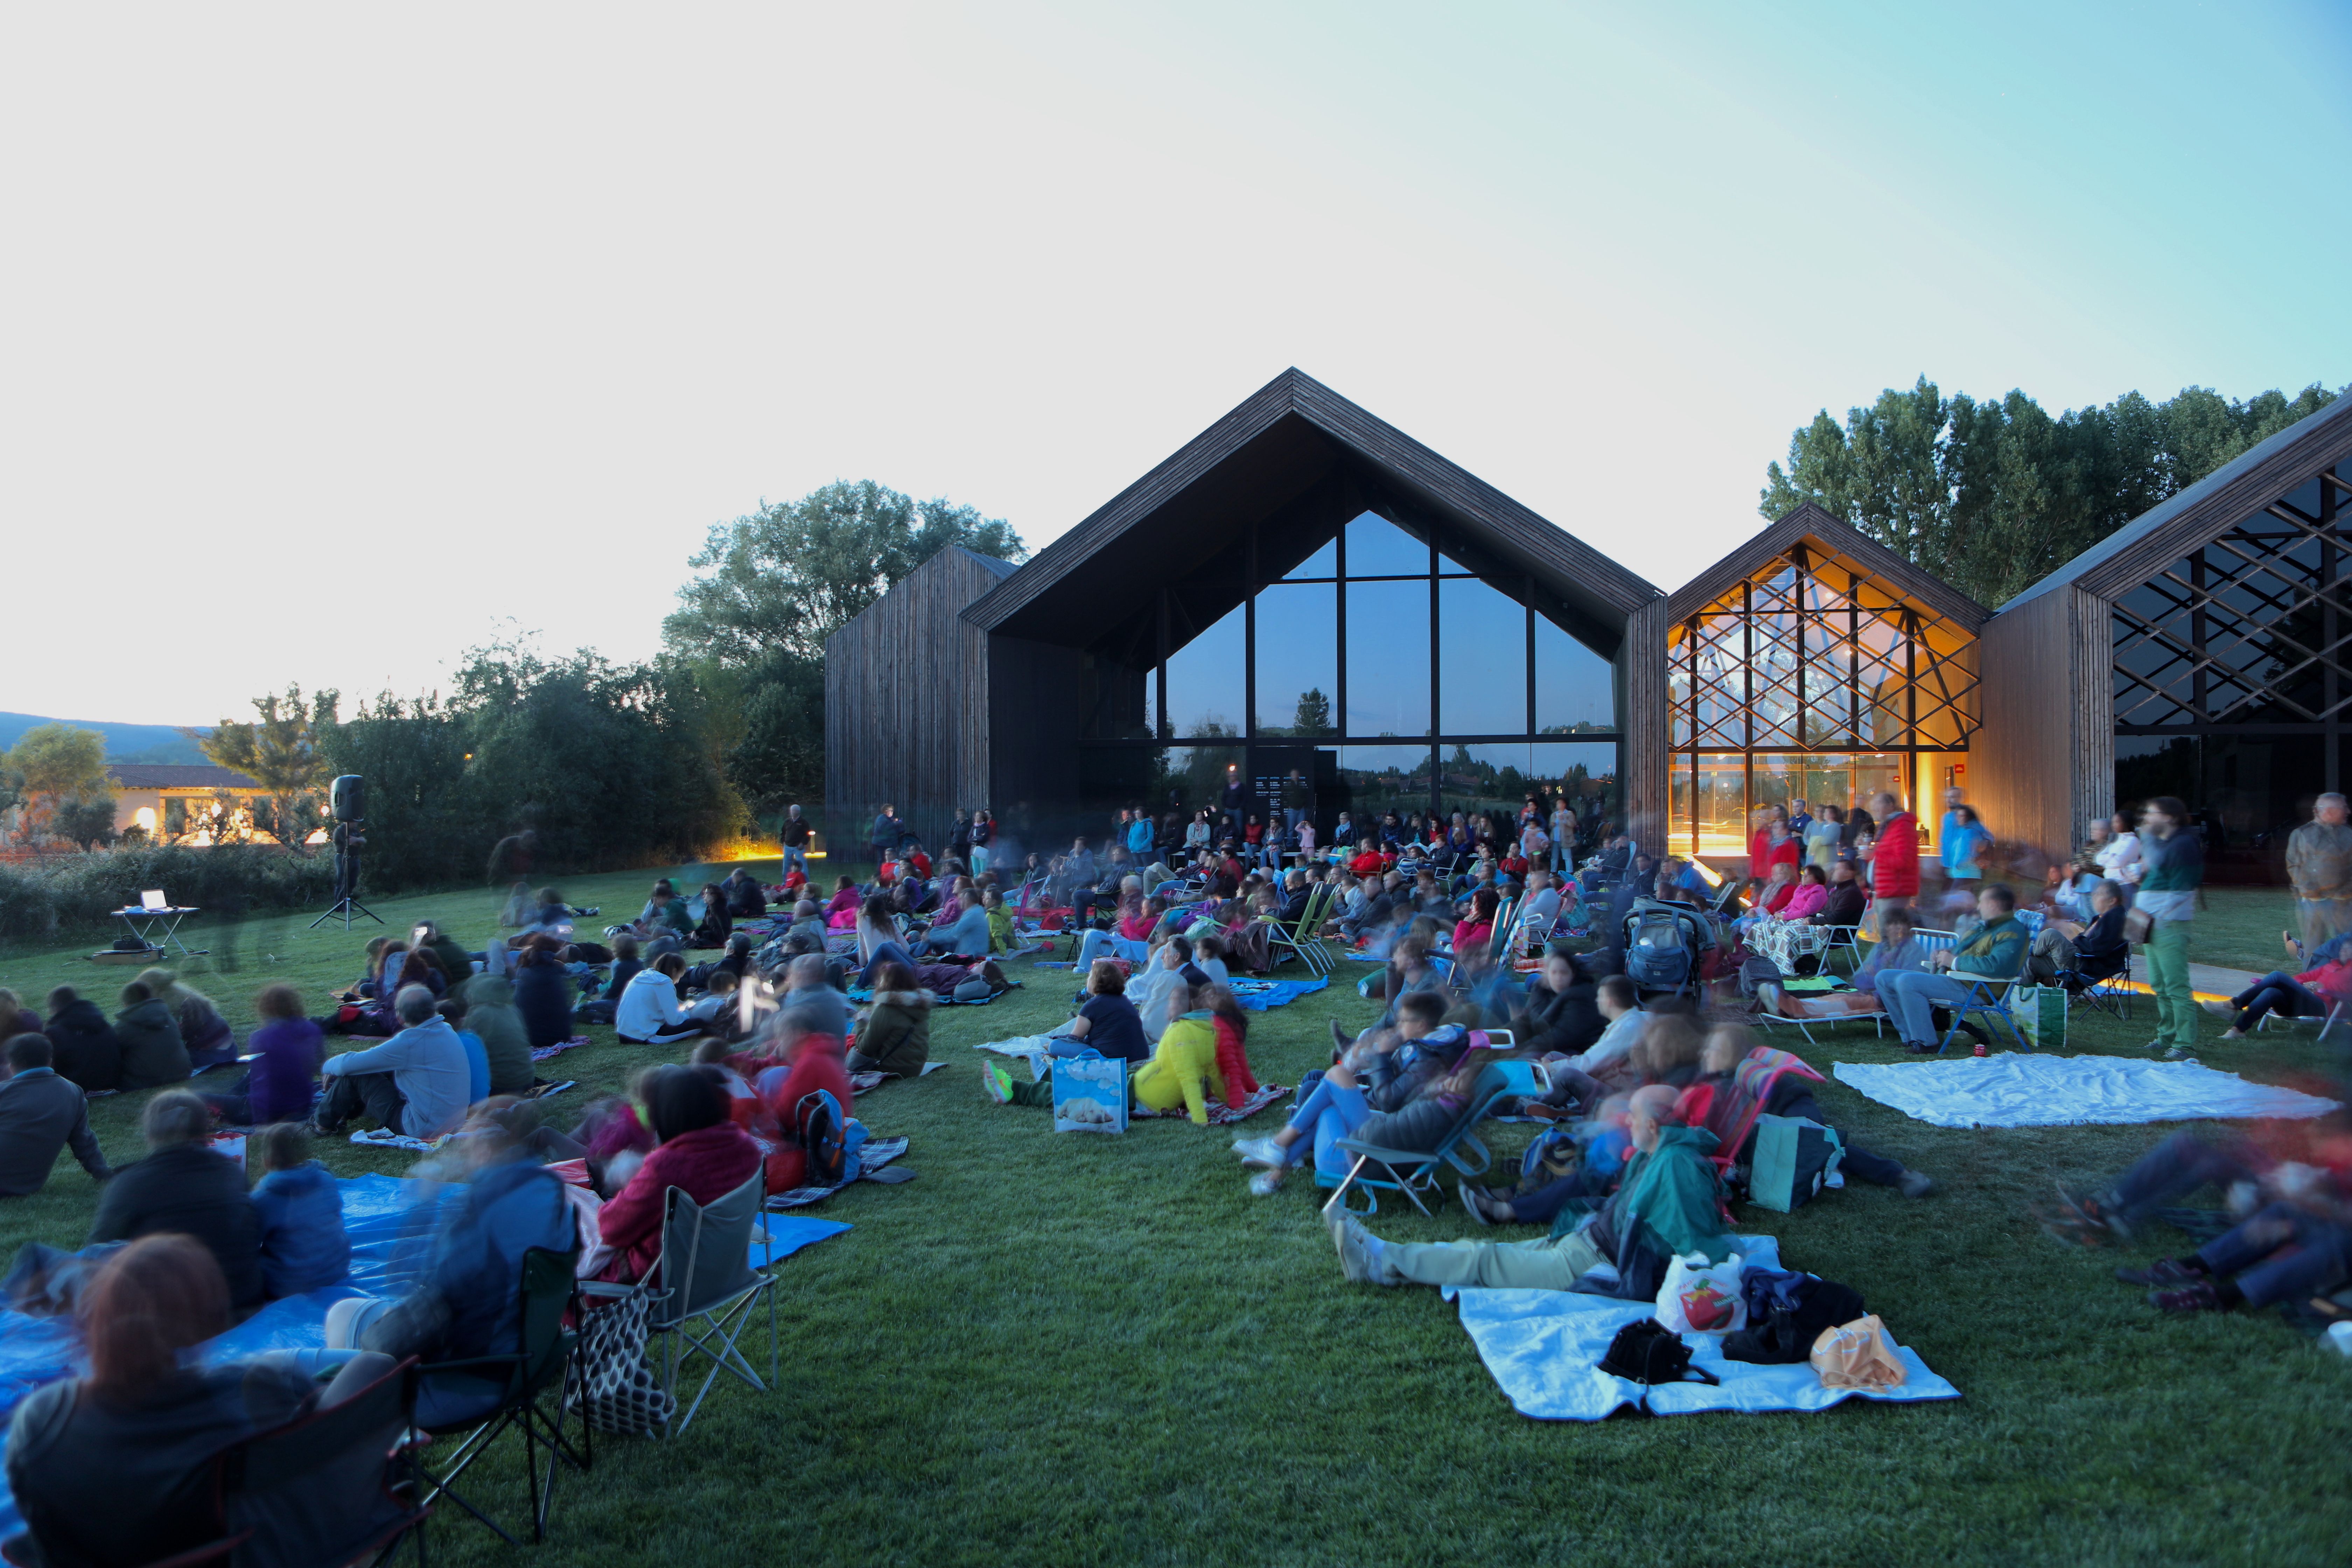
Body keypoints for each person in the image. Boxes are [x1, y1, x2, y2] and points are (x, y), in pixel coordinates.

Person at [5, 1236, 397, 1568]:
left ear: (92, 1321)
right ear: (210, 1326)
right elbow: (376, 1366)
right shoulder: (249, 1399)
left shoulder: (41, 1423)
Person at [1328, 1084, 1730, 1294]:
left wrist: (1722, 1280)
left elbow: (1694, 1239)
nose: (1628, 1121)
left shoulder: (1676, 1165)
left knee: (1484, 1261)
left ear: (1654, 1127)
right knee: (1493, 1253)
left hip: (1597, 1262)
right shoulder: (1662, 1152)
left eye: (1634, 1116)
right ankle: (1384, 1258)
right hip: (1589, 1241)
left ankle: (1381, 1259)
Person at [321, 1111, 577, 1427]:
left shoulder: (481, 1216)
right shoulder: (552, 1193)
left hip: (467, 1380)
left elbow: (411, 1288)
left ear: (485, 1149)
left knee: (343, 1315)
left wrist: (422, 1205)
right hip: (532, 1360)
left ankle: (366, 1441)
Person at [1233, 992, 1477, 1190]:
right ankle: (1278, 1164)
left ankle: (1279, 1149)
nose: (1399, 1025)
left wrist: (1381, 1055)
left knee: (1332, 1081)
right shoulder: (1431, 1046)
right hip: (1379, 1120)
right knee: (1325, 1084)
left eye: (1404, 1021)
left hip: (1378, 1126)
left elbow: (1390, 1102)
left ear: (1422, 1025)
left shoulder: (1427, 1059)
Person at [89, 1090, 264, 1309]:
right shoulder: (231, 1173)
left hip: (173, 1317)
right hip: (243, 1303)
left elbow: (97, 1253)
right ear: (204, 1128)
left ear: (150, 1131)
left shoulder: (130, 1183)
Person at [593, 1065, 762, 1283]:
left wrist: (629, 1183)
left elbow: (611, 1229)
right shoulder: (747, 1148)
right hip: (728, 1276)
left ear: (664, 1115)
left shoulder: (667, 1167)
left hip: (664, 1289)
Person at [1873, 884, 2030, 1053]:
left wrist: (1954, 962)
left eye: (1981, 902)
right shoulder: (1986, 927)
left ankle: (1927, 1042)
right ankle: (1910, 1037)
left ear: (1993, 904)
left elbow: (1996, 967)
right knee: (1883, 978)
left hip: (1977, 989)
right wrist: (1945, 954)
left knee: (1907, 982)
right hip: (1956, 979)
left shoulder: (2013, 932)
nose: (1978, 907)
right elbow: (1961, 949)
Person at [313, 985, 474, 1141]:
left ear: (400, 1017)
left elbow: (346, 1065)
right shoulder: (446, 1029)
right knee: (373, 1068)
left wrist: (328, 1066)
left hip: (423, 1128)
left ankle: (321, 1125)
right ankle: (345, 1112)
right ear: (434, 1009)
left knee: (357, 1075)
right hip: (453, 1122)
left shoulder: (410, 1042)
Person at [2136, 795, 2204, 1060]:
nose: (2147, 818)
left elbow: (2183, 890)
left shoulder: (2184, 844)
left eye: (2152, 813)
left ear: (2169, 817)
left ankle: (2185, 1044)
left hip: (2169, 925)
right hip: (2155, 924)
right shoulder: (2166, 844)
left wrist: (2158, 916)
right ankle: (2166, 1036)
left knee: (2176, 987)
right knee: (2160, 985)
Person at [0, 1033, 110, 1197]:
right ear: (50, 1059)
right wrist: (105, 1174)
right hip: (25, 1187)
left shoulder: (4, 1091)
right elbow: (85, 1144)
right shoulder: (73, 1092)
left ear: (11, 1066)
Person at [248, 1121, 350, 1297]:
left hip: (289, 1284)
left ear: (266, 1161)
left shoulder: (264, 1199)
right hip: (336, 1270)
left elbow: (247, 1244)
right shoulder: (326, 1180)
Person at [200, 983, 321, 1126]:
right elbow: (319, 1064)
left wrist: (260, 1124)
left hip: (263, 1111)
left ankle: (225, 1102)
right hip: (302, 1104)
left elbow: (259, 1082)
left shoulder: (262, 1037)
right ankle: (228, 1098)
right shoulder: (312, 1029)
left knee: (198, 1097)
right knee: (246, 1081)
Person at [2205, 942, 2352, 1039]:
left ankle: (2233, 1005)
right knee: (2271, 992)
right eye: (2343, 948)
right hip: (2304, 1002)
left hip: (2323, 1007)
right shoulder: (2330, 966)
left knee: (2277, 976)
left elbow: (2345, 988)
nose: (2344, 951)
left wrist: (2322, 987)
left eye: (2349, 948)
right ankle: (2238, 1030)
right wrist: (2306, 986)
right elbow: (2302, 978)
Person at [1048, 960, 1150, 1065]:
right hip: (1140, 1055)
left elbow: (1076, 1038)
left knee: (1055, 1046)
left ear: (1095, 980)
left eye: (1090, 977)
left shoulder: (1091, 1006)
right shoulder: (1125, 1001)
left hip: (1111, 1060)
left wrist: (1059, 1040)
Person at [2287, 792, 2352, 953]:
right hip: (2312, 902)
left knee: (2347, 946)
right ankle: (2310, 978)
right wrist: (2307, 889)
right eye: (2344, 808)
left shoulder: (2349, 834)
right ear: (2330, 811)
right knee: (2313, 947)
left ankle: (2344, 979)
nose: (2349, 812)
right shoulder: (2301, 834)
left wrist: (2345, 891)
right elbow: (2294, 865)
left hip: (2343, 902)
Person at [134, 968, 236, 1070]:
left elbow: (176, 1038)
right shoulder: (186, 996)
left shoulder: (182, 1006)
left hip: (212, 1055)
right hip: (230, 1050)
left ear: (154, 990)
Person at [846, 961, 933, 1076]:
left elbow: (865, 1048)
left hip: (890, 1067)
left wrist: (861, 1021)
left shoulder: (886, 1009)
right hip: (916, 1067)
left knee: (851, 1048)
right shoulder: (919, 1004)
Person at [457, 973, 536, 1097]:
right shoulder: (511, 1010)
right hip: (526, 1079)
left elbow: (463, 1048)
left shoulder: (479, 1015)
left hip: (502, 1085)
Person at [41, 985, 122, 1093]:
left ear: (54, 1008)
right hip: (110, 1082)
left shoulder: (54, 1034)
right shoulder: (103, 1024)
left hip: (74, 1088)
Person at [616, 952, 707, 1046]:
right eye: (681, 975)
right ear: (675, 971)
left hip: (624, 1035)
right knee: (700, 1024)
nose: (679, 980)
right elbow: (675, 1021)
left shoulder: (641, 977)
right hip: (645, 1036)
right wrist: (687, 1011)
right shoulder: (664, 983)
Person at [512, 936, 577, 1050]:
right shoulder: (554, 973)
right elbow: (563, 1010)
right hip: (558, 1036)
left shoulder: (523, 972)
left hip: (528, 1037)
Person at [1870, 791, 1920, 913]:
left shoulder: (1902, 827)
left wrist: (1875, 854)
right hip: (1885, 890)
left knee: (1891, 931)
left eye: (1879, 803)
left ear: (1891, 806)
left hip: (1895, 892)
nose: (1874, 807)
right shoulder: (1888, 827)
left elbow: (1903, 861)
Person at [919, 888, 993, 957]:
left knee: (931, 940)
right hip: (966, 945)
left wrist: (931, 938)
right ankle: (912, 955)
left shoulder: (974, 915)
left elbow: (953, 933)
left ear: (967, 900)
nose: (959, 902)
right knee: (933, 932)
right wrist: (934, 931)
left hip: (970, 951)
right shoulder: (976, 910)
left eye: (961, 899)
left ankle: (914, 957)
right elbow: (954, 926)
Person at [1941, 803, 1990, 888]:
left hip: (1967, 874)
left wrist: (1960, 865)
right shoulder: (1961, 831)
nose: (1959, 819)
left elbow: (1972, 853)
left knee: (1954, 900)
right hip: (1961, 874)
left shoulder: (1971, 833)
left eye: (1962, 816)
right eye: (1958, 816)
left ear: (1968, 818)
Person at [781, 804, 814, 882]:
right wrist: (784, 842)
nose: (792, 812)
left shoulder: (803, 822)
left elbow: (808, 834)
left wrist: (803, 843)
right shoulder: (788, 822)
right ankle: (786, 883)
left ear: (798, 812)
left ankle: (806, 883)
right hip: (788, 847)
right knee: (786, 866)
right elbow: (783, 833)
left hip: (798, 848)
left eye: (794, 810)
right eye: (792, 810)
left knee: (803, 866)